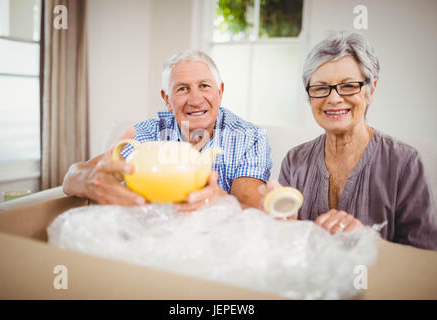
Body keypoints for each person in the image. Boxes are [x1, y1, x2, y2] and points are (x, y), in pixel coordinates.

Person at [262, 32, 437, 250]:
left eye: (348, 86)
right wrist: (283, 227)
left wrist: (368, 241)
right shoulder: (294, 160)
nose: (334, 99)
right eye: (321, 88)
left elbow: (425, 258)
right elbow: (286, 248)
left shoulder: (405, 162)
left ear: (370, 90)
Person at [63, 50, 272, 212]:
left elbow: (252, 211)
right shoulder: (148, 134)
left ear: (220, 91)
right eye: (182, 89)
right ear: (167, 100)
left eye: (204, 86)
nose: (196, 100)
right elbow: (72, 177)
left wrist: (221, 202)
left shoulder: (249, 137)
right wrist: (90, 183)